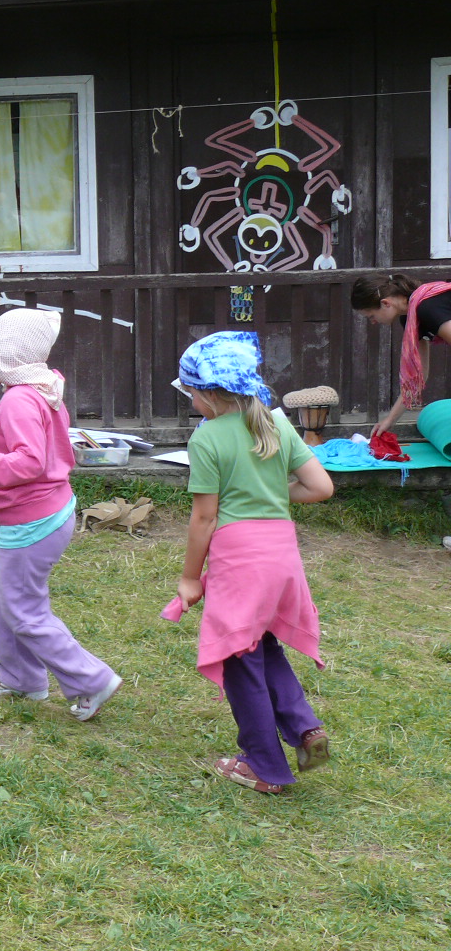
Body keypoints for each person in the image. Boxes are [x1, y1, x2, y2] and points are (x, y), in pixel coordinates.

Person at [165, 331, 335, 795]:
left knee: (239, 658)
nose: (192, 403)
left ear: (208, 394)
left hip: (240, 562)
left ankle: (264, 767)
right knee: (263, 643)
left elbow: (204, 517)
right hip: (282, 556)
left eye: (191, 394)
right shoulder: (275, 423)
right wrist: (268, 494)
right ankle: (303, 726)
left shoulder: (206, 438)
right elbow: (321, 487)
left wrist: (189, 578)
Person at [0, 309, 122, 720]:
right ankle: (21, 675)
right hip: (39, 514)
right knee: (1, 599)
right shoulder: (40, 387)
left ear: (3, 351)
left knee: (24, 611)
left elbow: (29, 462)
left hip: (34, 520)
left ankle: (91, 680)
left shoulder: (20, 400)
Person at [350, 272, 451, 437]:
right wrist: (390, 420)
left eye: (371, 316)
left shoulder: (428, 307)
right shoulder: (411, 318)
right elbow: (419, 376)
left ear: (385, 303)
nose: (373, 322)